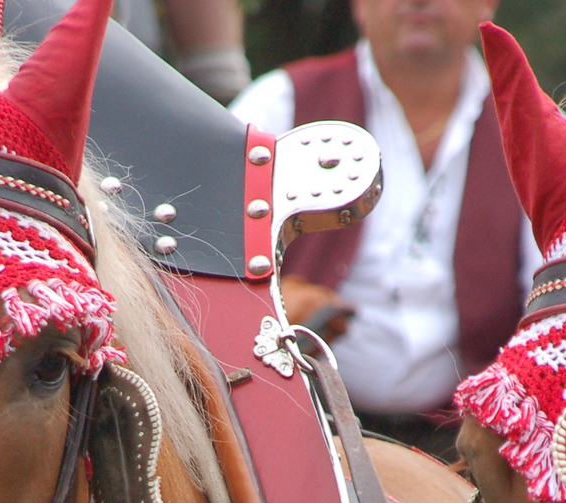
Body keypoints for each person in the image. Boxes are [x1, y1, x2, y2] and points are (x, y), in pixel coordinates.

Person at [229, 0, 539, 456]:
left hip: (474, 450)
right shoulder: (280, 103)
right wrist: (264, 301)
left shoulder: (533, 128)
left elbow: (559, 302)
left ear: (487, 5)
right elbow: (195, 257)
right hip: (293, 425)